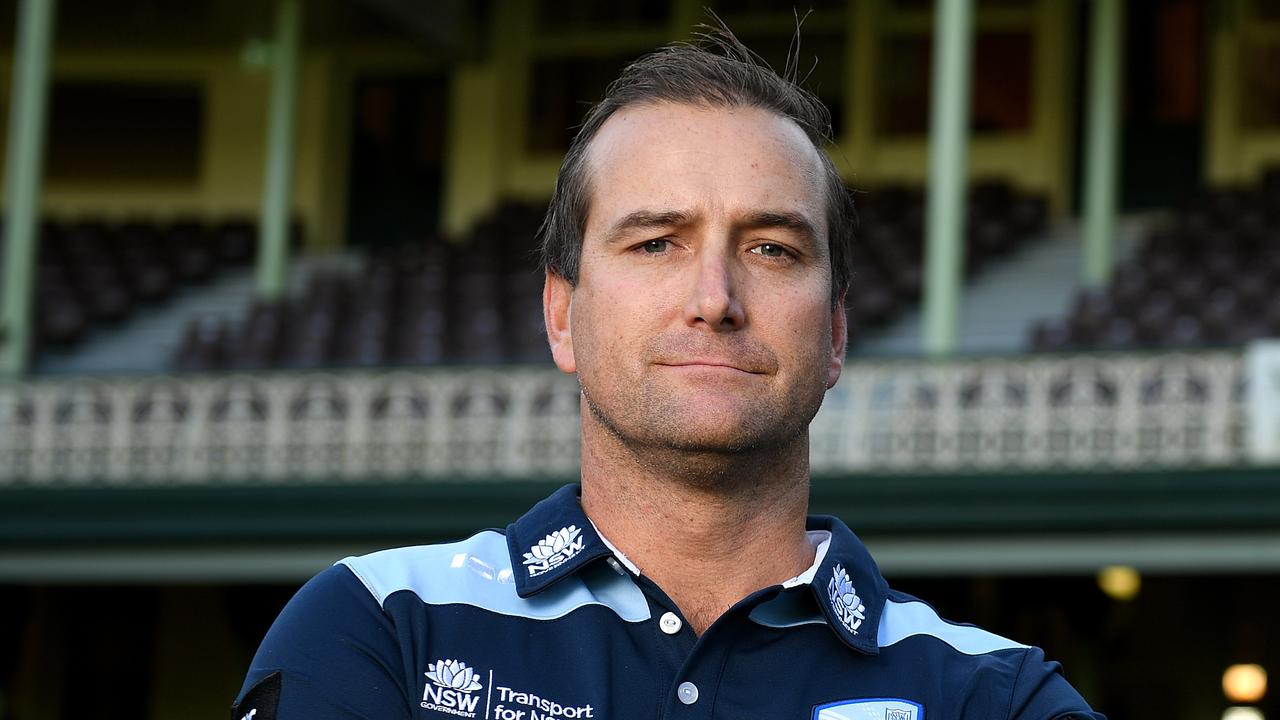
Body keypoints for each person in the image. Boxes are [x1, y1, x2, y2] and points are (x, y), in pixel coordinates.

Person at [233, 27, 1105, 720]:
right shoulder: (381, 629)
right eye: (657, 243)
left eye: (772, 247)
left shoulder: (990, 694)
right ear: (562, 314)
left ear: (836, 333)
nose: (714, 298)